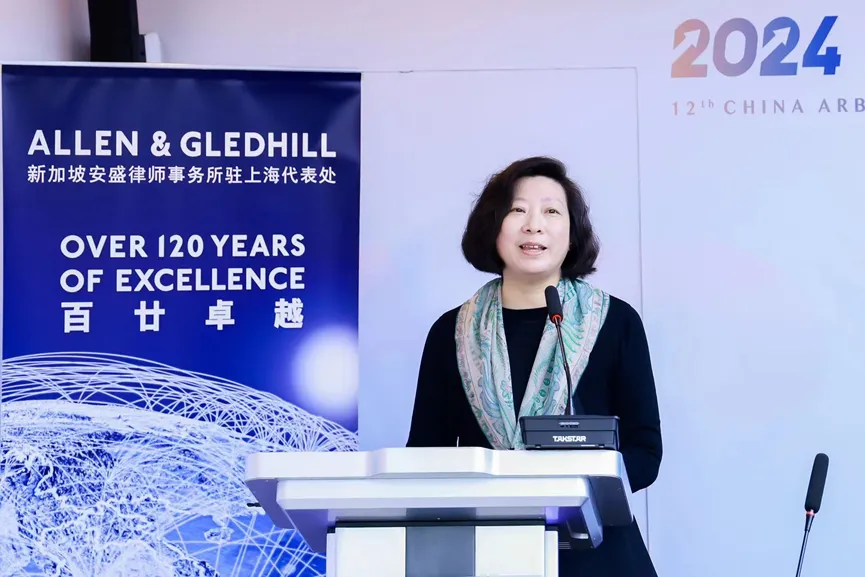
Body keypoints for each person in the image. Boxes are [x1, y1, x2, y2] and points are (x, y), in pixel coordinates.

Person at [406, 156, 663, 577]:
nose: (534, 225)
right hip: (487, 549)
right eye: (517, 210)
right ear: (493, 227)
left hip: (596, 554)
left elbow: (645, 452)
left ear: (572, 233)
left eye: (551, 211)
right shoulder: (451, 332)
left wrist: (576, 489)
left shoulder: (616, 322)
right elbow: (425, 457)